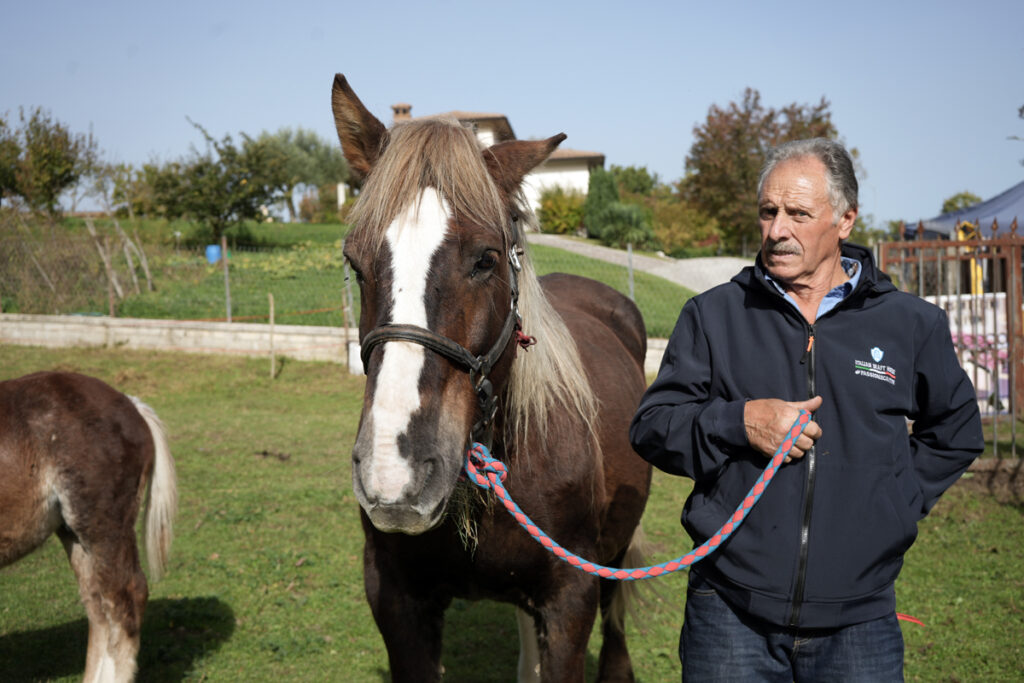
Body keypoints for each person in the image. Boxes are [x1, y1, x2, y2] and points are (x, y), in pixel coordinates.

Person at [630, 138, 983, 682]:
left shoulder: (910, 324)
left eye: (798, 213)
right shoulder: (714, 315)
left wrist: (892, 504)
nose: (777, 230)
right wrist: (739, 422)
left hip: (859, 620)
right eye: (768, 212)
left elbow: (956, 432)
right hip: (728, 610)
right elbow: (653, 428)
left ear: (845, 220)